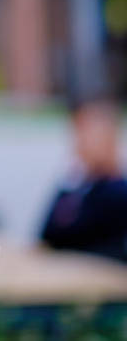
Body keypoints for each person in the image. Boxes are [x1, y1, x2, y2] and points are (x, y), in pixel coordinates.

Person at [39, 93, 127, 262]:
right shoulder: (78, 189)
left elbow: (73, 235)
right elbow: (47, 233)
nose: (79, 143)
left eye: (86, 134)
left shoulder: (118, 192)